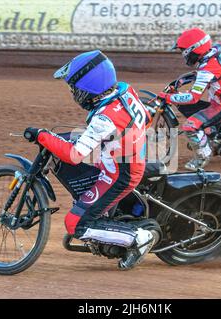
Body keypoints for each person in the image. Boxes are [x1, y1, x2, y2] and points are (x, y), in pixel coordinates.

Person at [23, 50, 154, 270]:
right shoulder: (124, 90)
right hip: (125, 159)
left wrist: (42, 135)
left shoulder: (104, 118)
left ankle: (139, 238)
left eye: (74, 88)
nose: (73, 93)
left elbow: (74, 156)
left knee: (74, 224)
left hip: (118, 174)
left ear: (88, 87)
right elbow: (147, 118)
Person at [158, 28, 221, 170]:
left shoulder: (208, 69)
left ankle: (203, 157)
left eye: (184, 51)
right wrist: (182, 80)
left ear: (194, 49)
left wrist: (168, 97)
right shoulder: (219, 49)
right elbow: (209, 71)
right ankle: (211, 134)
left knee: (190, 127)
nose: (183, 55)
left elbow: (192, 98)